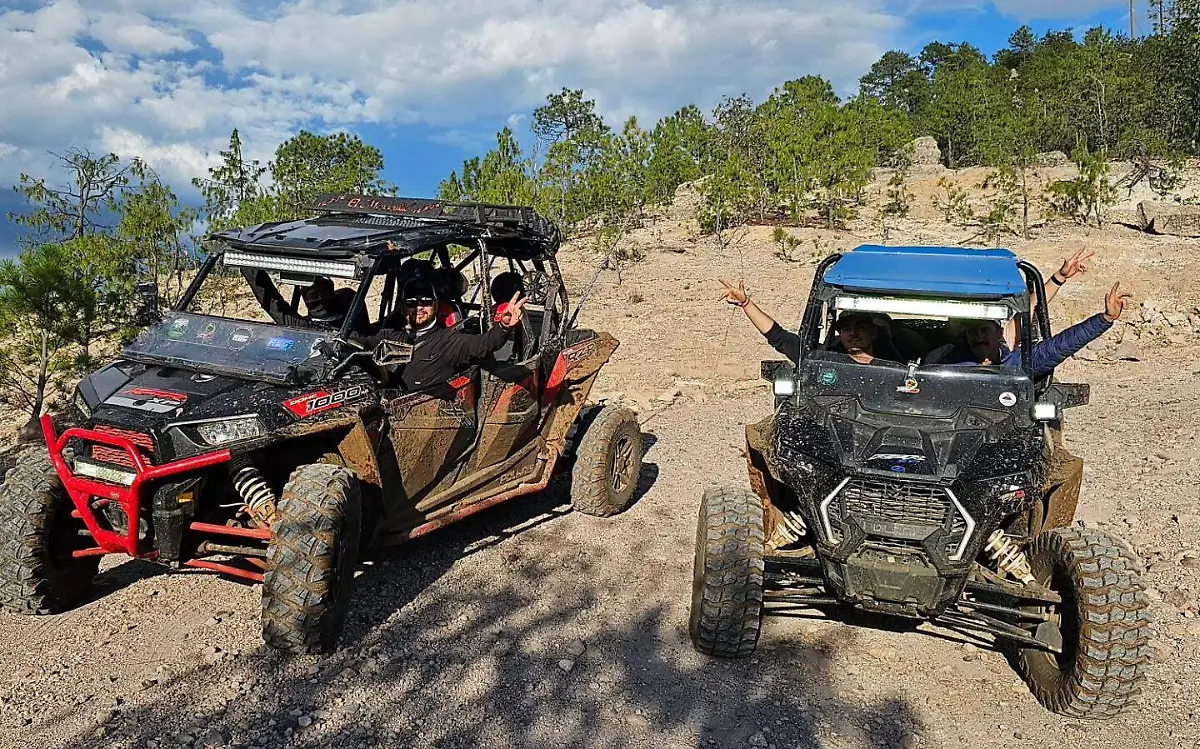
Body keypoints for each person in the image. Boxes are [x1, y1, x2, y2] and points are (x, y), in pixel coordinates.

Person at [367, 277, 528, 391]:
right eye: (412, 303)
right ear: (403, 308)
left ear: (436, 306)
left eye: (426, 302)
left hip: (426, 419)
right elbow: (361, 343)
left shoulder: (449, 341)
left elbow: (484, 344)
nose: (419, 308)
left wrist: (504, 326)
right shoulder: (388, 336)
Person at [942, 281, 1132, 377]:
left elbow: (1061, 345)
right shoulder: (951, 366)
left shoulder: (1018, 364)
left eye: (984, 331)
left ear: (999, 333)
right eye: (972, 333)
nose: (978, 337)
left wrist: (1105, 319)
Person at [718, 278, 894, 364]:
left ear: (874, 332)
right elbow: (779, 337)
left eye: (860, 327)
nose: (853, 333)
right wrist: (746, 303)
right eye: (846, 328)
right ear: (839, 334)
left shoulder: (895, 367)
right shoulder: (824, 362)